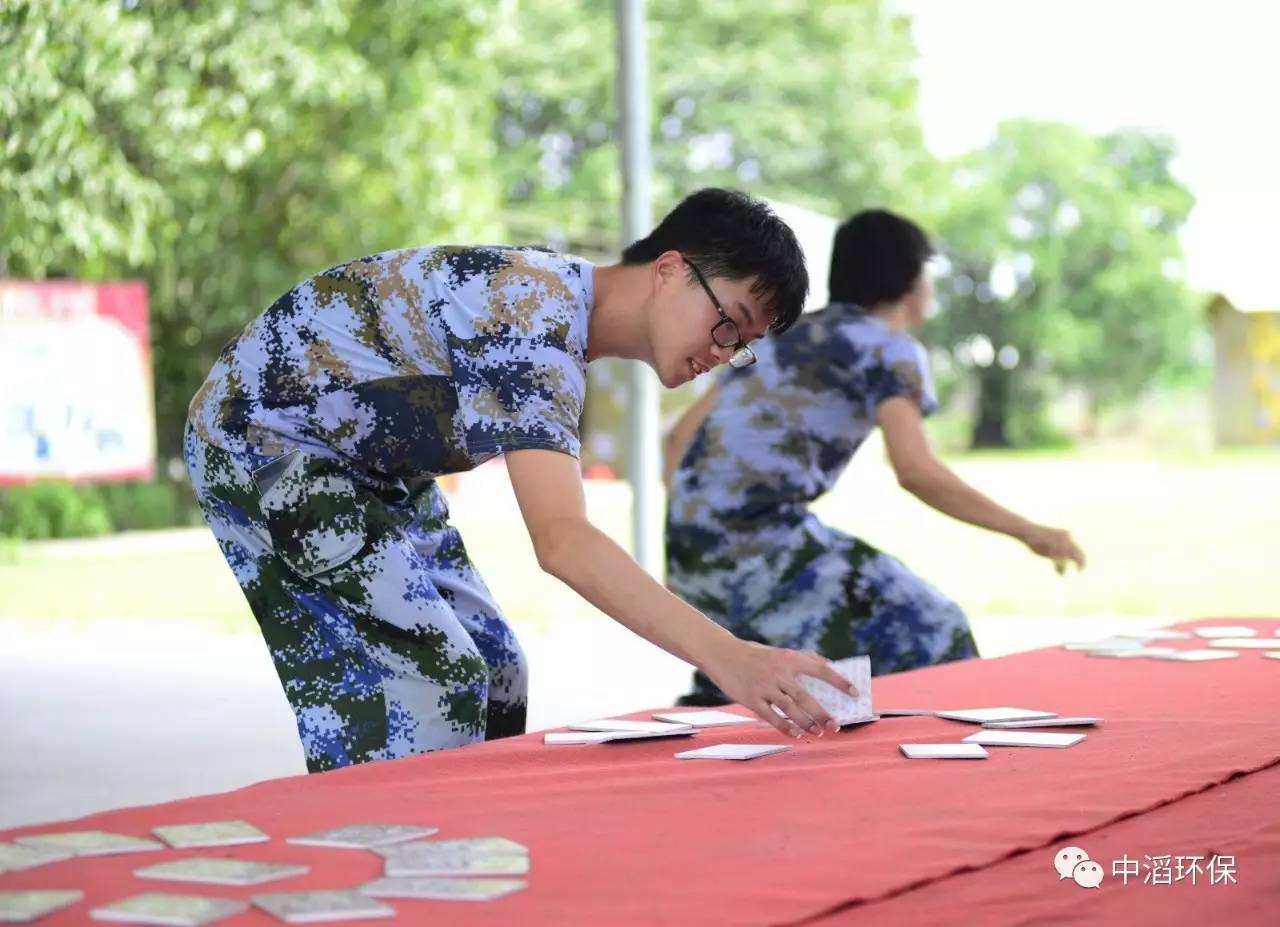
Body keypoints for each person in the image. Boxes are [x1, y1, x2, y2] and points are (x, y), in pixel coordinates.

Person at [184, 188, 856, 772]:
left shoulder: (556, 322)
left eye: (740, 344)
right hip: (265, 441)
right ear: (670, 270)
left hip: (373, 467)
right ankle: (388, 875)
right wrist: (728, 656)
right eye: (728, 321)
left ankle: (464, 854)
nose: (724, 352)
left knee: (498, 668)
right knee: (430, 682)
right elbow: (562, 540)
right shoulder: (532, 317)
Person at [663, 208, 1085, 706]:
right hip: (758, 544)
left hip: (688, 550)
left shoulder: (780, 336)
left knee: (745, 683)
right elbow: (916, 471)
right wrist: (1032, 531)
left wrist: (703, 522)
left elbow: (678, 442)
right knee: (933, 628)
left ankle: (718, 709)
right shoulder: (889, 349)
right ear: (910, 278)